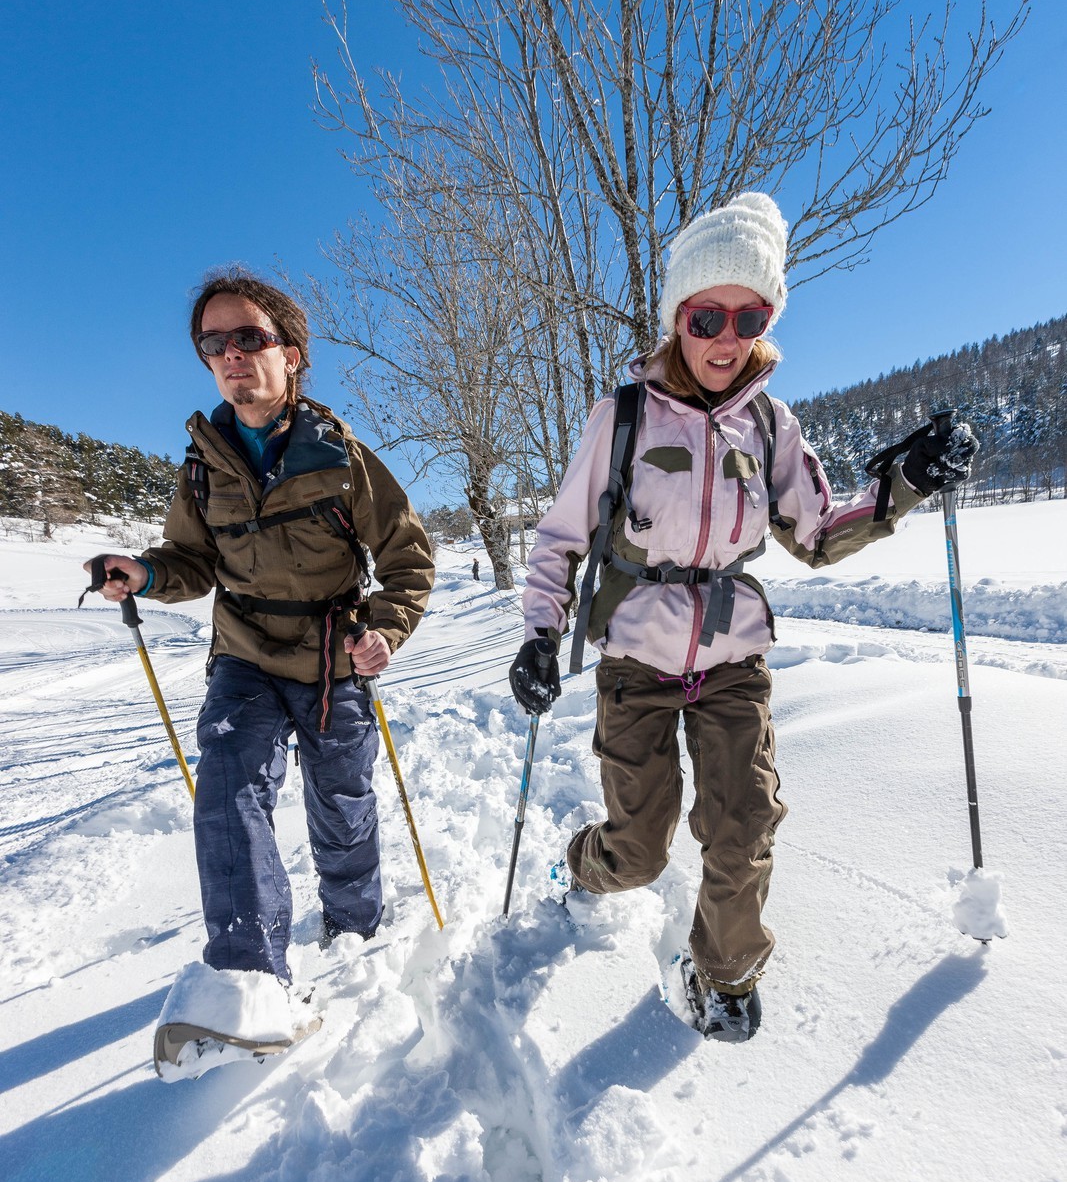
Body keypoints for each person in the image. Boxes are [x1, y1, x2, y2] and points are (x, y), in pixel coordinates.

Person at [509, 193, 975, 1043]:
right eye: (706, 315)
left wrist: (905, 481)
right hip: (636, 659)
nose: (726, 336)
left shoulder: (770, 423)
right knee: (639, 849)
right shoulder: (619, 418)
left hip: (732, 656)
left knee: (743, 822)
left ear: (766, 322)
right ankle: (582, 865)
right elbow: (560, 538)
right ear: (676, 319)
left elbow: (818, 534)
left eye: (748, 315)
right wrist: (539, 634)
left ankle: (721, 971)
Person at [86, 269, 434, 997]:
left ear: (292, 353)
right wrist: (143, 575)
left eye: (248, 336)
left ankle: (354, 926)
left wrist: (384, 631)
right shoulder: (203, 464)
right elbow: (190, 562)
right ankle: (248, 982)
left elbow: (406, 555)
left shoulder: (340, 454)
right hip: (243, 653)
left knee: (341, 805)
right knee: (227, 789)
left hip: (334, 656)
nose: (231, 353)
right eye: (214, 342)